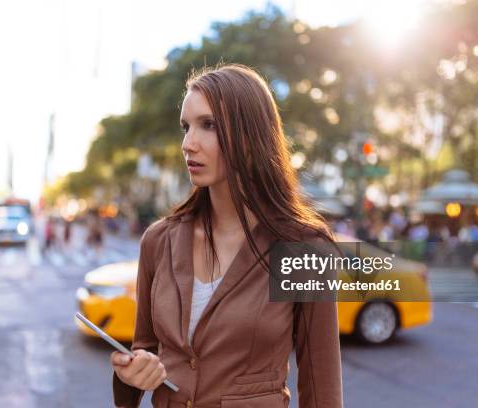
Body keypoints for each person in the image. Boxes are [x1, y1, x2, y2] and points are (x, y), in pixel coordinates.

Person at [110, 65, 343, 408]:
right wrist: (128, 374)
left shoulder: (304, 248)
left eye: (209, 125)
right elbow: (143, 352)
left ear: (251, 136)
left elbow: (322, 392)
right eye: (186, 127)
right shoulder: (158, 240)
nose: (189, 144)